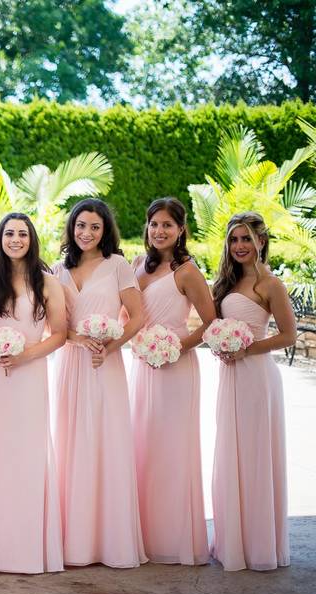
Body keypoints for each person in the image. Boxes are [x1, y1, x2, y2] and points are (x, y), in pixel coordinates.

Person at [52, 198, 147, 568]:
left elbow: (137, 317)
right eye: (80, 226)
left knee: (105, 442)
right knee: (71, 443)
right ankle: (74, 541)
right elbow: (55, 327)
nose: (86, 233)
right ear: (71, 229)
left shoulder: (118, 266)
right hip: (70, 365)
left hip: (103, 365)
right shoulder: (60, 269)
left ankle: (109, 540)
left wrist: (111, 346)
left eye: (94, 226)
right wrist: (77, 340)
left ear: (105, 230)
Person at [0, 213, 66, 574]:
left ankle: (29, 547)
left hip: (30, 375)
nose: (15, 239)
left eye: (22, 234)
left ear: (32, 240)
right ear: (0, 239)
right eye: (9, 234)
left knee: (28, 454)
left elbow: (59, 333)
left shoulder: (47, 283)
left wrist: (24, 355)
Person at [130, 197, 215, 565]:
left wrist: (176, 348)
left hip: (176, 368)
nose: (159, 231)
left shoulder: (187, 271)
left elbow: (211, 323)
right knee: (142, 447)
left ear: (181, 230)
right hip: (142, 365)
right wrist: (137, 343)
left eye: (167, 224)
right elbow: (128, 314)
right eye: (154, 224)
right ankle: (144, 536)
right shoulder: (137, 266)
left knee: (172, 450)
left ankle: (175, 540)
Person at [210, 212, 295, 571]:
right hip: (230, 375)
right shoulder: (226, 282)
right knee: (232, 453)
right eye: (233, 240)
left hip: (257, 377)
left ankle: (260, 546)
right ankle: (234, 541)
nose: (240, 246)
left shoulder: (271, 285)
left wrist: (246, 349)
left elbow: (288, 336)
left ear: (261, 242)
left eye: (246, 239)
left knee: (256, 455)